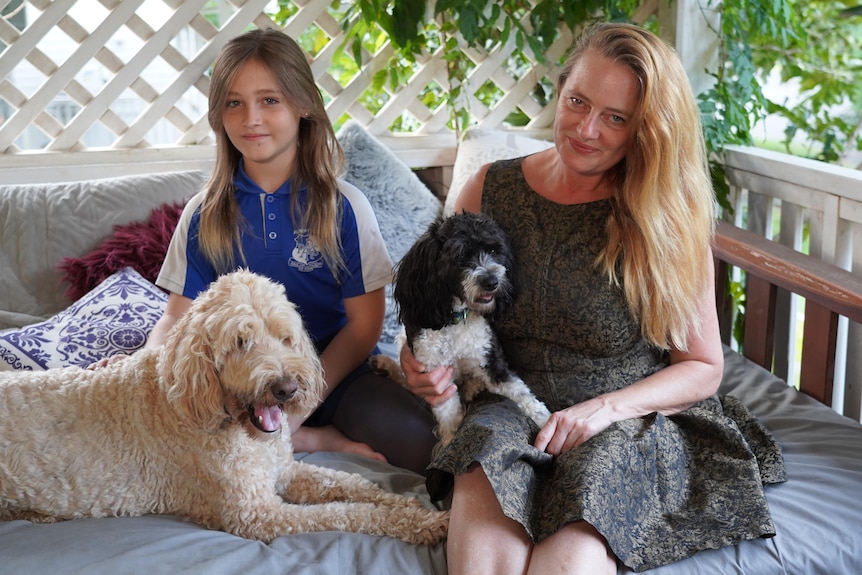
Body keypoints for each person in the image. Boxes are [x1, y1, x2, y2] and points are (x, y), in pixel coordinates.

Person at [400, 22, 786, 574]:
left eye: (615, 117)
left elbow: (702, 366)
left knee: (569, 561)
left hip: (623, 420)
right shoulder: (488, 188)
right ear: (559, 91)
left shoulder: (664, 219)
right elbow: (432, 311)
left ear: (644, 130)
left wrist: (602, 410)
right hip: (508, 405)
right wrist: (415, 366)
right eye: (577, 101)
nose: (585, 129)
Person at [148, 28, 436, 475]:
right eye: (233, 103)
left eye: (269, 100)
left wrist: (300, 406)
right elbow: (177, 318)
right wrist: (146, 370)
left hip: (336, 376)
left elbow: (365, 325)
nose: (251, 119)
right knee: (167, 424)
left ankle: (295, 433)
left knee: (425, 448)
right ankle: (307, 442)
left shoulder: (345, 207)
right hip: (240, 381)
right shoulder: (204, 214)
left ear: (303, 106)